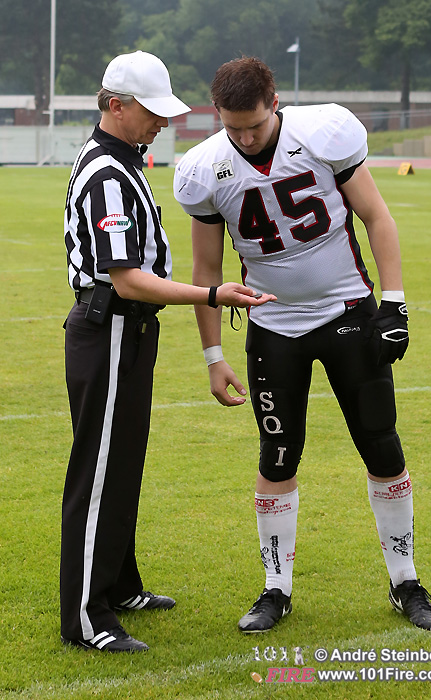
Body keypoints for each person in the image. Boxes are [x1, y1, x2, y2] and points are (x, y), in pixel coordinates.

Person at [173, 56, 431, 634]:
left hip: (347, 312)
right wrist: (213, 356)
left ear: (275, 104)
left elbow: (376, 216)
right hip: (273, 326)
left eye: (255, 125)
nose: (245, 138)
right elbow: (206, 272)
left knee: (381, 444)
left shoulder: (322, 134)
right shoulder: (204, 168)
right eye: (232, 127)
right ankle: (276, 589)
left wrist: (394, 303)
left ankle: (406, 581)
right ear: (216, 113)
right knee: (277, 454)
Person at [60, 50, 275, 653]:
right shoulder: (106, 172)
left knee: (123, 465)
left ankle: (119, 585)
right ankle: (86, 617)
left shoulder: (123, 160)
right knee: (99, 475)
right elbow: (127, 279)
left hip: (127, 331)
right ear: (115, 105)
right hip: (109, 327)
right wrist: (211, 292)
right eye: (151, 111)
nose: (163, 122)